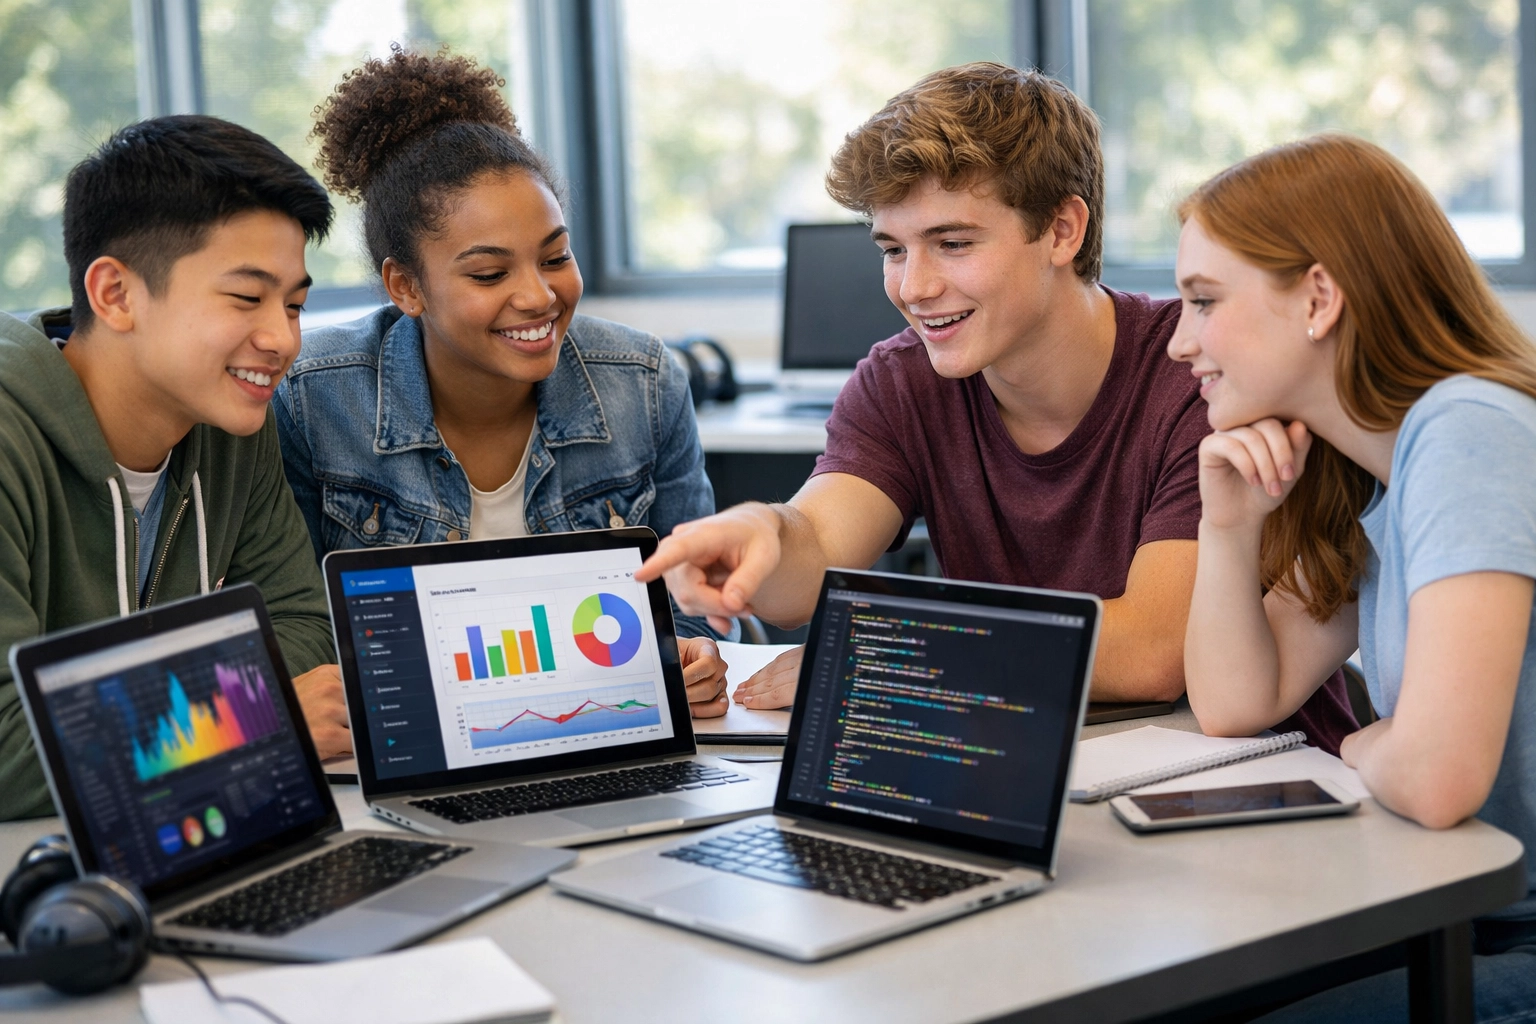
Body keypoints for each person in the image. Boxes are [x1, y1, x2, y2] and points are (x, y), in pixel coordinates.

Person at [638, 62, 1356, 749]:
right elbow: (816, 545)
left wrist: (896, 653)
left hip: (1246, 787)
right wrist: (760, 531)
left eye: (952, 243)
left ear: (1063, 231)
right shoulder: (903, 383)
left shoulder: (1198, 368)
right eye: (892, 249)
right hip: (1029, 768)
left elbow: (1150, 652)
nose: (913, 288)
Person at [1171, 134, 1536, 1021]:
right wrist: (1227, 529)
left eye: (1204, 302)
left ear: (1319, 298)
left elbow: (1438, 778)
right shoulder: (1375, 466)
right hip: (1467, 910)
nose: (1180, 342)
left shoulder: (1468, 434)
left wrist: (1365, 746)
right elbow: (1235, 701)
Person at [274, 48, 730, 717]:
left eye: (557, 256)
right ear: (405, 286)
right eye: (490, 274)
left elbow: (699, 608)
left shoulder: (646, 383)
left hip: (599, 732)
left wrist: (694, 655)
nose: (539, 296)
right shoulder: (313, 399)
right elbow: (304, 643)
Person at [0, 116, 353, 820]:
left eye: (295, 304)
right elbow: (8, 747)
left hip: (186, 826)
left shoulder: (225, 413)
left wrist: (146, 728)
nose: (281, 339)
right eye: (247, 298)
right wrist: (253, 717)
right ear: (115, 294)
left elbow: (301, 626)